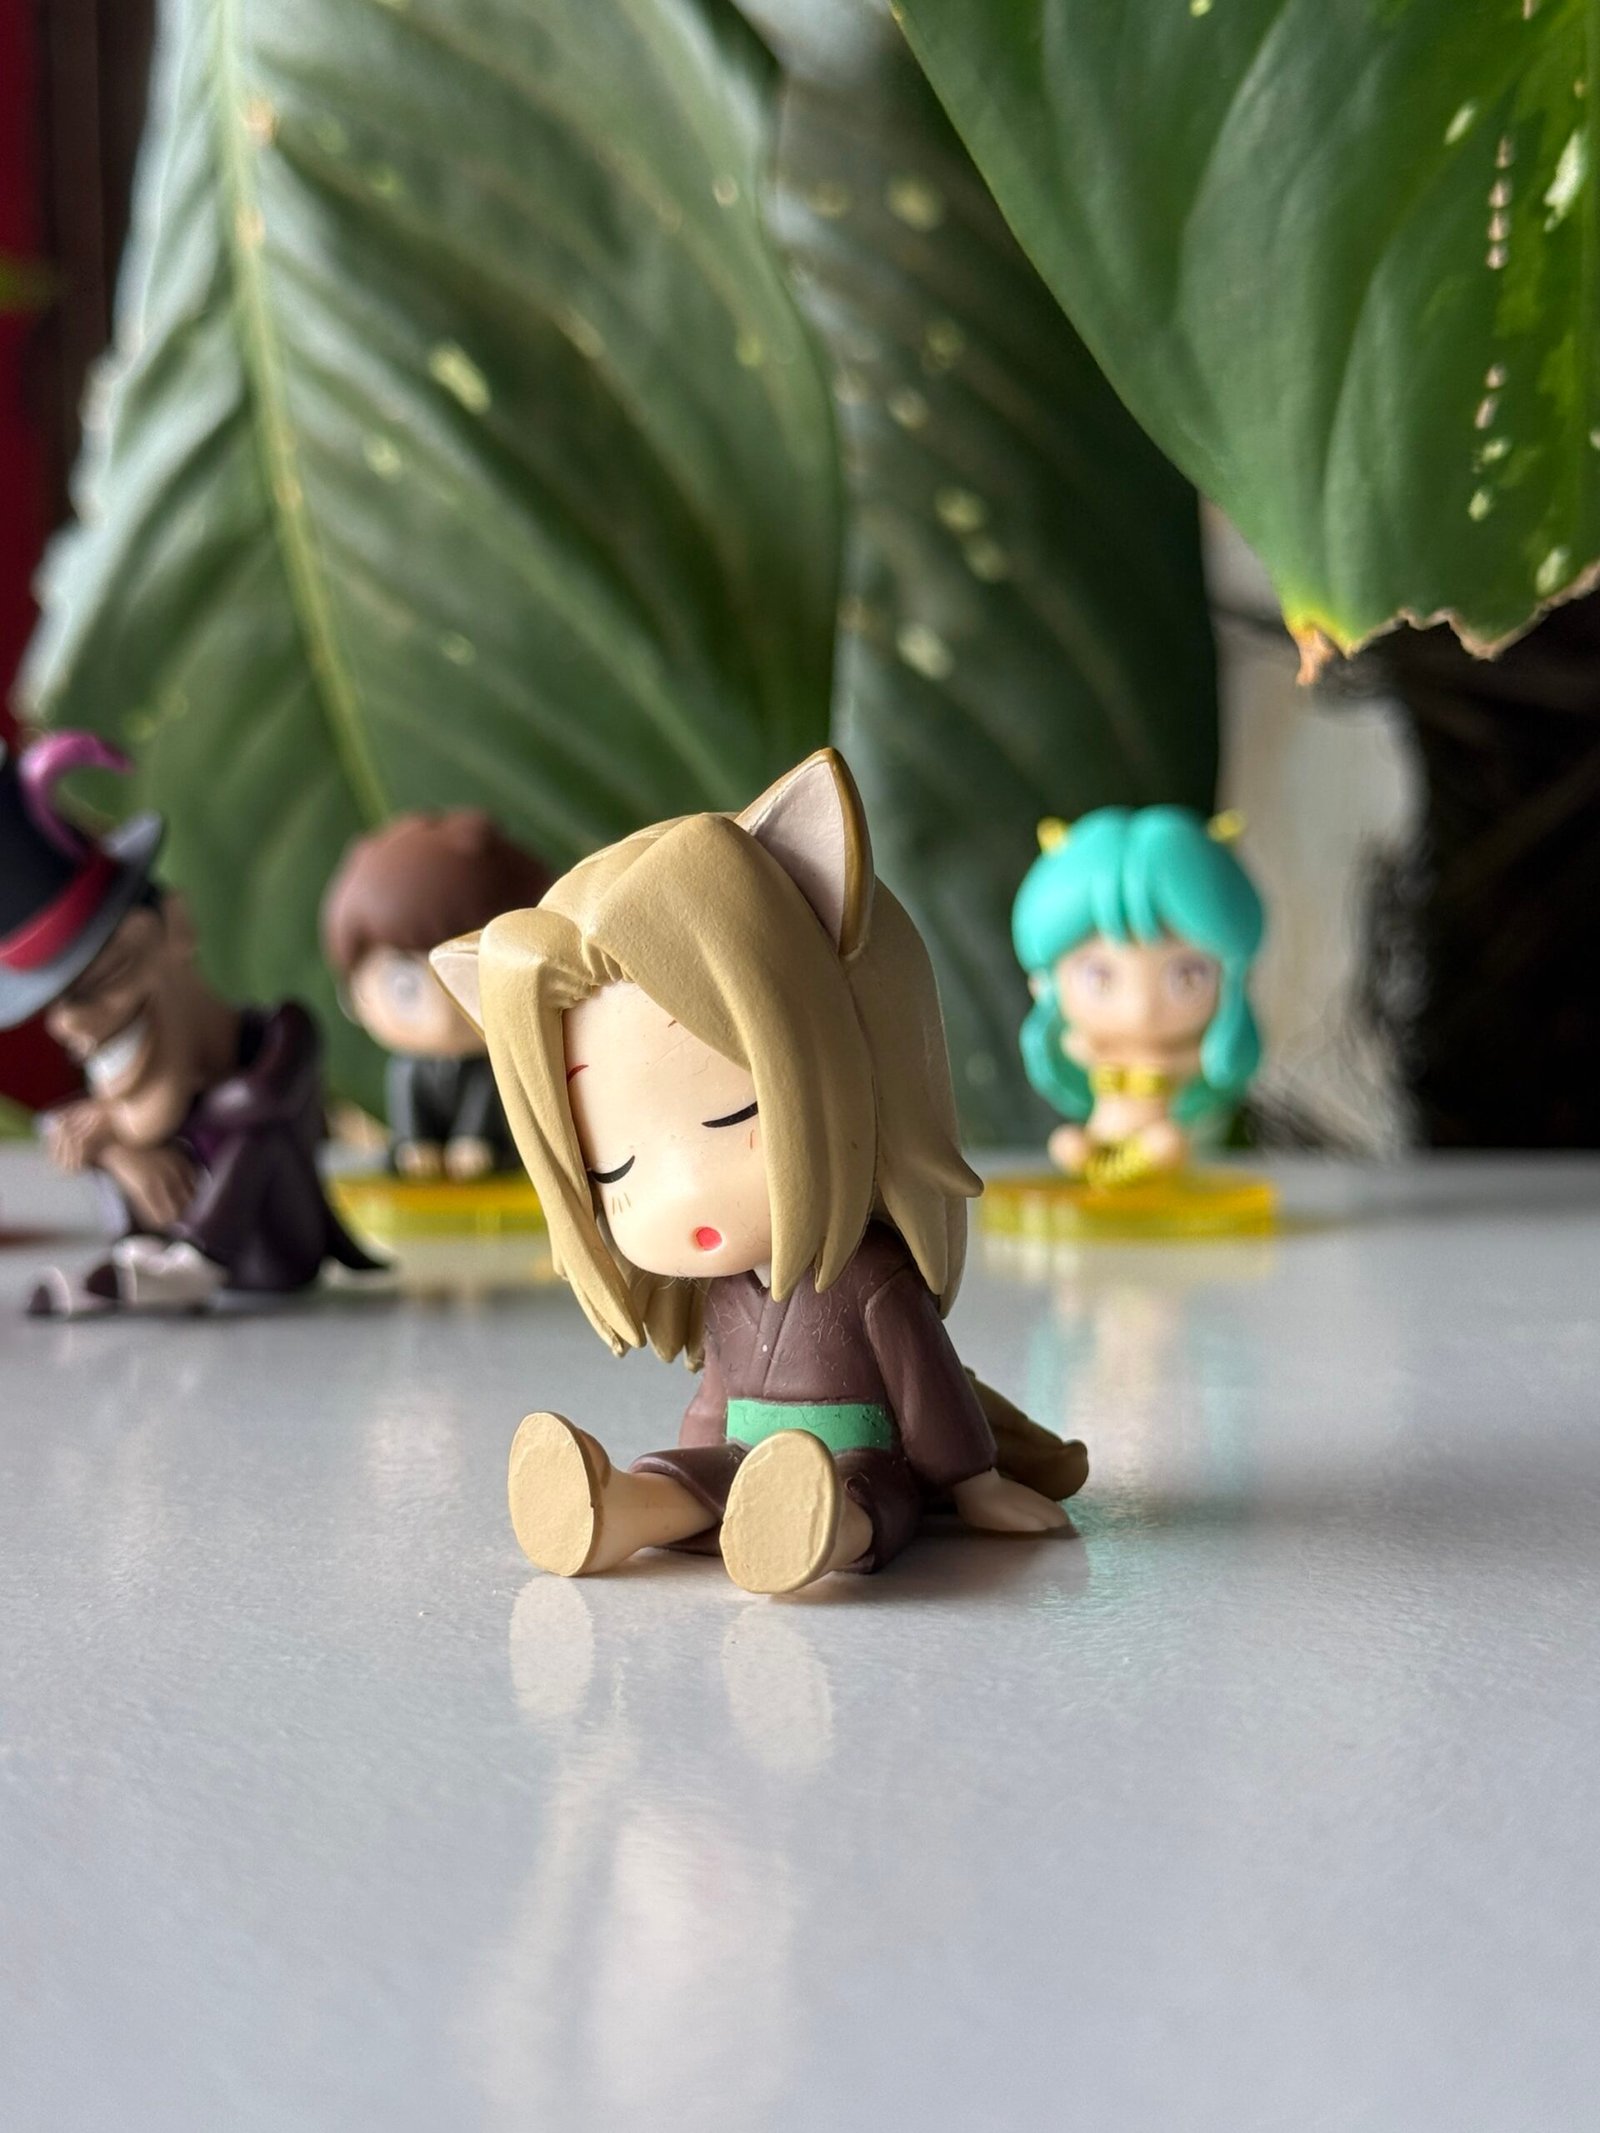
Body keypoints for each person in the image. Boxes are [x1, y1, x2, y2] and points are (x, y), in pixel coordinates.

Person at [430, 747, 1087, 1594]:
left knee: (864, 1494)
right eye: (614, 1167)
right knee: (696, 1475)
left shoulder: (873, 1280)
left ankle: (819, 1528)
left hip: (861, 1454)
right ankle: (618, 1508)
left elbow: (927, 1392)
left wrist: (978, 1483)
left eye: (735, 1116)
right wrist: (703, 1451)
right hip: (745, 1449)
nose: (683, 1192)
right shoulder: (726, 1294)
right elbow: (718, 1394)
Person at [0, 732, 380, 1315]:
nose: (69, 1025)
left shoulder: (281, 1033)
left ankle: (198, 1258)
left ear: (176, 928)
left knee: (252, 1126)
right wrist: (122, 1150)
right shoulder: (128, 1078)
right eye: (56, 1003)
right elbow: (64, 1127)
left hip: (269, 1251)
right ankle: (137, 1253)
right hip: (162, 1237)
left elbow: (253, 1101)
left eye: (108, 977)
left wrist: (116, 1123)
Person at [1012, 806, 1265, 1184]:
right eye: (1099, 979)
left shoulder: (1187, 1059)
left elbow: (1207, 1067)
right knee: (1066, 1144)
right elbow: (1073, 1048)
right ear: (1044, 982)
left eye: (1187, 977)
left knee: (1167, 1145)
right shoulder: (1087, 1045)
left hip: (1166, 1143)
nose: (1140, 1008)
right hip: (1102, 1133)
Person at [322, 811, 550, 1179]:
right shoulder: (408, 1066)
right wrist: (413, 1142)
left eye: (470, 979)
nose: (443, 1014)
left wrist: (477, 1142)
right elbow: (410, 1102)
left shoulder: (499, 1068)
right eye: (405, 988)